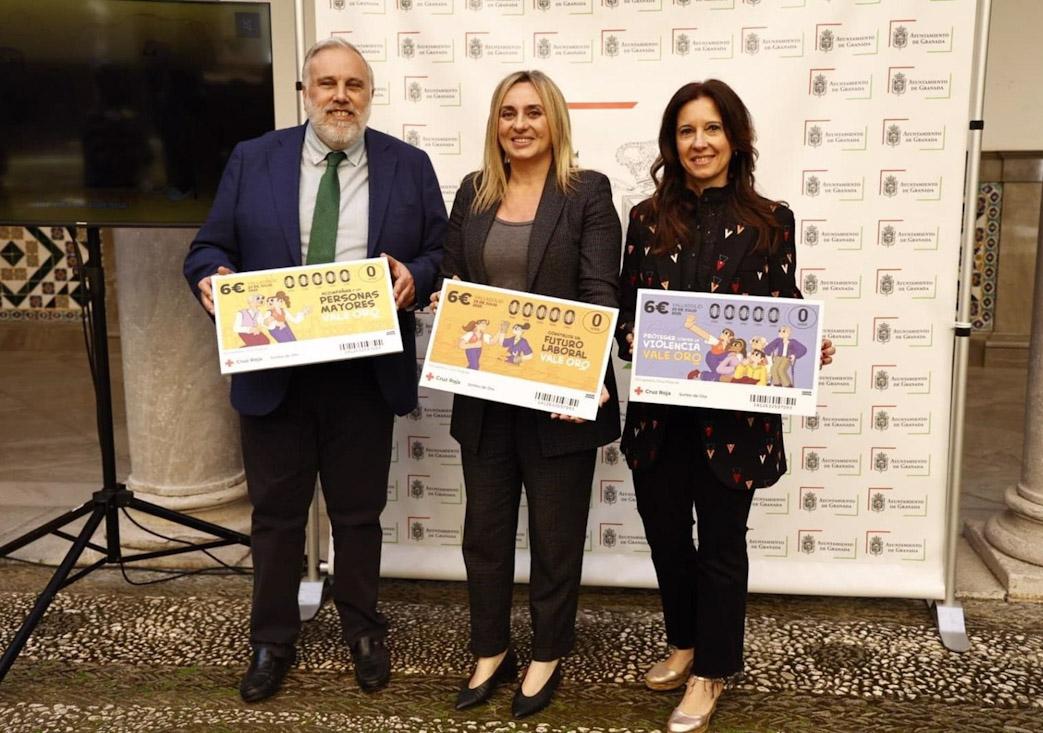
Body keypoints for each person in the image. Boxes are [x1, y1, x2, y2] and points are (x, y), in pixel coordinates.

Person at [182, 38, 446, 702]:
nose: (339, 95)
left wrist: (416, 274)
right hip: (277, 373)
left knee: (358, 513)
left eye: (353, 84)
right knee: (275, 515)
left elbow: (441, 249)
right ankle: (271, 639)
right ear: (306, 91)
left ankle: (363, 629)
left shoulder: (408, 166)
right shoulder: (253, 159)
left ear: (369, 94)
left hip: (364, 373)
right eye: (326, 82)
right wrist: (211, 278)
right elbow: (210, 243)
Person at [615, 79, 834, 733]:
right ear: (672, 143)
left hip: (733, 425)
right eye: (686, 131)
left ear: (734, 139)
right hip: (660, 418)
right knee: (666, 542)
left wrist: (804, 345)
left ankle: (712, 669)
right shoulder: (645, 220)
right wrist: (631, 336)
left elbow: (784, 307)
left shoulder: (773, 220)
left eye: (711, 128)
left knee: (719, 547)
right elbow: (629, 312)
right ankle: (683, 642)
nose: (699, 142)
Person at [430, 70, 621, 719]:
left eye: (532, 112)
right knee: (483, 533)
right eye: (508, 112)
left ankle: (546, 651)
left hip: (559, 399)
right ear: (495, 123)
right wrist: (445, 299)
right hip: (484, 397)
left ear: (554, 120)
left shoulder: (586, 193)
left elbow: (600, 288)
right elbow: (457, 273)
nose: (519, 123)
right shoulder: (474, 192)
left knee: (555, 535)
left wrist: (591, 370)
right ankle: (490, 647)